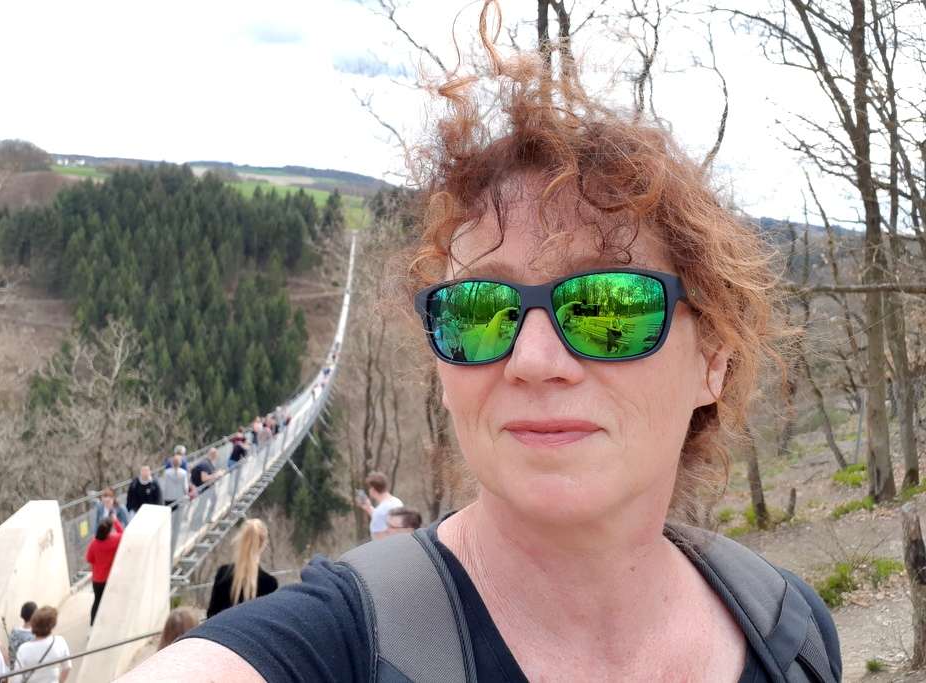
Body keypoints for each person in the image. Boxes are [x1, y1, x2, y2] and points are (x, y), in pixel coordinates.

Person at [119, 2, 842, 681]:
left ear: (713, 359)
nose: (532, 360)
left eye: (608, 307)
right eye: (478, 311)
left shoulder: (792, 632)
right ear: (442, 366)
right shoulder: (341, 644)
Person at [206, 519, 278, 619]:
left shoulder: (223, 574)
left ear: (240, 540)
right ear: (263, 544)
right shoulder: (270, 583)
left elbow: (211, 614)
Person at [14, 606, 71, 683]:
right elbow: (67, 667)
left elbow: (17, 679)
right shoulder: (60, 641)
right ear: (52, 625)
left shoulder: (23, 649)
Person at [85, 516, 123, 626]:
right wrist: (115, 521)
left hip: (97, 580)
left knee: (97, 601)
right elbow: (123, 533)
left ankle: (92, 625)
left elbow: (89, 559)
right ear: (109, 531)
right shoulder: (114, 541)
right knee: (110, 601)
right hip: (109, 578)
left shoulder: (94, 543)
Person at [355, 471, 403, 540]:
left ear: (373, 489)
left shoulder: (379, 512)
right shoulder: (397, 502)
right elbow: (384, 519)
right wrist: (368, 508)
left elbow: (378, 541)